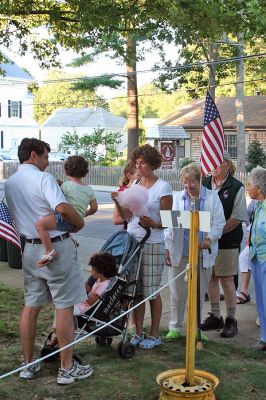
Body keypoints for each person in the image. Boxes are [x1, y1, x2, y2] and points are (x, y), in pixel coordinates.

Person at [4, 138, 93, 385]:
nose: (47, 162)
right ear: (34, 155)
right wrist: (79, 223)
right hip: (56, 247)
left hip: (30, 248)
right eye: (45, 157)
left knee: (31, 305)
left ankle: (28, 364)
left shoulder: (10, 183)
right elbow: (63, 208)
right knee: (64, 306)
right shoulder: (43, 179)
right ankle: (66, 368)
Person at [113, 144, 173, 349]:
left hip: (153, 243)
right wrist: (118, 202)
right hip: (133, 241)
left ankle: (154, 334)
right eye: (136, 162)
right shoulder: (135, 183)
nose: (138, 166)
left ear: (153, 164)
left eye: (142, 162)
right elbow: (126, 217)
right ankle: (138, 332)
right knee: (135, 292)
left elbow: (168, 220)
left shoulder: (163, 187)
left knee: (151, 292)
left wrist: (154, 224)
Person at [164, 163, 225, 338]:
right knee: (177, 293)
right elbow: (169, 226)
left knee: (198, 294)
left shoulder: (212, 198)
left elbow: (219, 224)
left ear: (200, 180)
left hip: (201, 254)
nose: (188, 186)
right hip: (180, 253)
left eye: (192, 182)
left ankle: (196, 329)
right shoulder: (177, 198)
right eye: (185, 182)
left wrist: (209, 238)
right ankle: (175, 327)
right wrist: (168, 247)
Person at [200, 151, 248, 338]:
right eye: (211, 163)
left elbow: (237, 217)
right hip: (207, 241)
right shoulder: (204, 184)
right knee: (211, 277)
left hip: (227, 241)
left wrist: (215, 233)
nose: (214, 166)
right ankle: (215, 316)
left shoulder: (237, 187)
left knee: (226, 279)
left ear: (227, 165)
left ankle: (231, 319)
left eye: (218, 163)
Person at [35, 155, 98, 267]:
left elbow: (58, 203)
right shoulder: (89, 189)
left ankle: (49, 250)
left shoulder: (66, 186)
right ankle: (71, 239)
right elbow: (94, 208)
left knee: (41, 225)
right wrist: (84, 213)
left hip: (65, 220)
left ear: (67, 170)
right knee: (56, 220)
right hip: (76, 222)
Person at [48, 252, 117, 345]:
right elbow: (89, 294)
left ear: (101, 271)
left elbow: (91, 301)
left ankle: (57, 332)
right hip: (83, 306)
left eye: (93, 270)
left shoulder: (104, 286)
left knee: (61, 307)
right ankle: (61, 329)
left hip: (86, 309)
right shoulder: (100, 281)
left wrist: (78, 291)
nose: (91, 271)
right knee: (61, 305)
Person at [247, 167, 266, 351]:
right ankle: (264, 337)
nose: (248, 188)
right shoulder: (257, 206)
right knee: (261, 299)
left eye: (250, 185)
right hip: (256, 257)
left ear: (259, 189)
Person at [237, 199, 257, 304]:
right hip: (255, 236)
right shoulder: (256, 200)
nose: (247, 189)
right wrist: (250, 231)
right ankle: (244, 291)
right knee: (244, 257)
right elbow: (249, 216)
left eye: (250, 185)